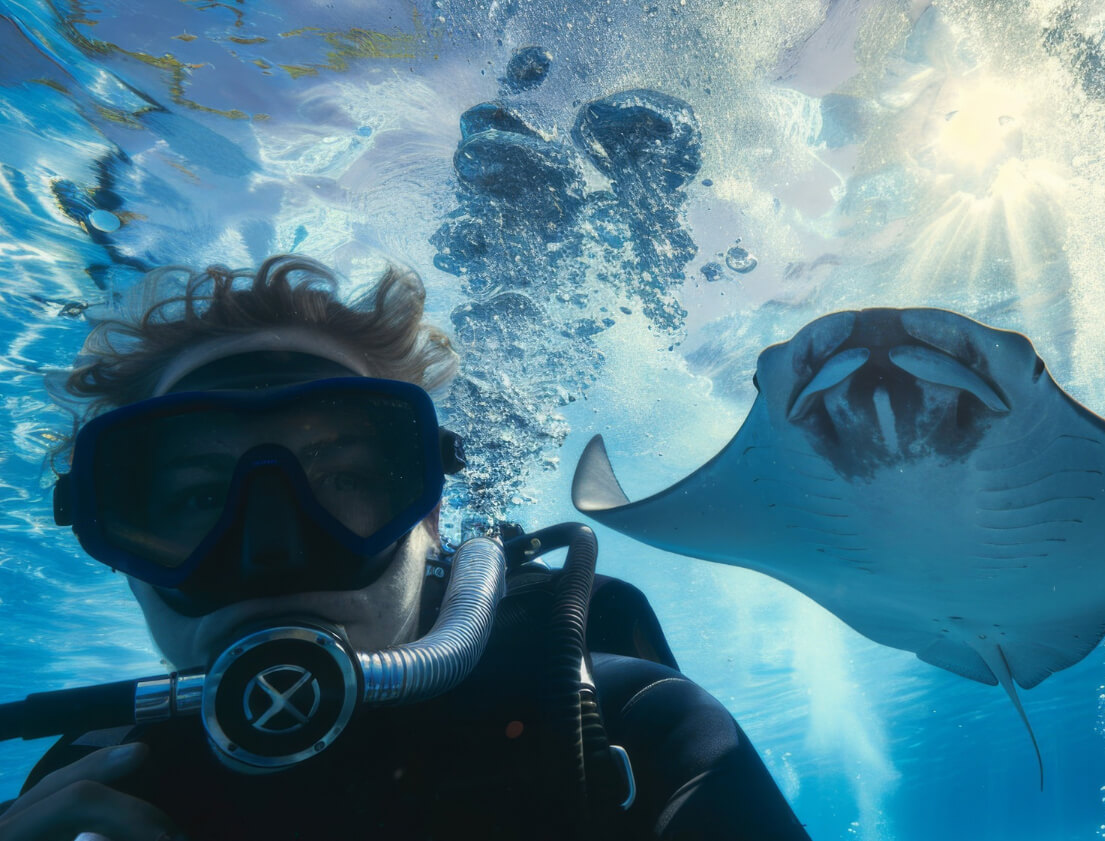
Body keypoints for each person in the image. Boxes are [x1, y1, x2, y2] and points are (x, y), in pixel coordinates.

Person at [0, 255, 812, 840]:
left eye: (345, 478)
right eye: (198, 497)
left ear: (430, 519)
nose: (273, 552)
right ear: (115, 539)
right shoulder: (74, 800)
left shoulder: (634, 732)